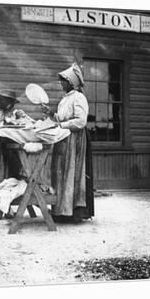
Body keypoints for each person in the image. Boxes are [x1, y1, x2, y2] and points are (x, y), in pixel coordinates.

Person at [43, 63, 94, 222]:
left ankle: (73, 212)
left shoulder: (79, 98)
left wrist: (61, 125)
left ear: (71, 82)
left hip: (75, 141)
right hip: (63, 139)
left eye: (63, 81)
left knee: (73, 173)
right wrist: (52, 114)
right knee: (60, 173)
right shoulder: (65, 99)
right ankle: (60, 210)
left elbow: (80, 121)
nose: (61, 84)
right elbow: (63, 118)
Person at [0, 90, 33, 219]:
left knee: (9, 181)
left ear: (11, 102)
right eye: (0, 100)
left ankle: (7, 209)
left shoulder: (17, 114)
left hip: (12, 152)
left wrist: (18, 122)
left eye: (3, 100)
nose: (0, 103)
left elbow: (30, 124)